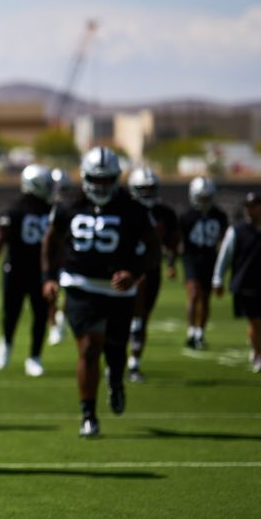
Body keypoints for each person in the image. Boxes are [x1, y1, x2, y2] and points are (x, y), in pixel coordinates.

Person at [43, 147, 155, 438]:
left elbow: (153, 249)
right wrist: (49, 277)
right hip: (80, 286)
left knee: (116, 347)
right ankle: (88, 414)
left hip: (119, 291)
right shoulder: (68, 206)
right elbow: (50, 241)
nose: (102, 185)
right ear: (86, 177)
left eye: (108, 180)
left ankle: (116, 379)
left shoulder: (133, 209)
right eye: (97, 179)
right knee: (90, 348)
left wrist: (134, 274)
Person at [212, 194, 261, 373]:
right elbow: (224, 256)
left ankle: (255, 344)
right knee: (255, 322)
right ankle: (258, 355)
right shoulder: (237, 231)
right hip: (244, 285)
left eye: (253, 206)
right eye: (247, 206)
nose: (249, 210)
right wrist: (217, 279)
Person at [0, 164, 54, 377]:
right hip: (15, 269)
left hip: (40, 271)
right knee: (11, 312)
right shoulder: (15, 209)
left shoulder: (51, 210)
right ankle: (6, 342)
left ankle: (35, 357)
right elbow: (0, 237)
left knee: (40, 314)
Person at [126, 167, 180, 382]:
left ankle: (134, 364)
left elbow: (173, 239)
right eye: (143, 189)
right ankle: (118, 361)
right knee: (122, 321)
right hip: (127, 270)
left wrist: (171, 261)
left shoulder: (164, 213)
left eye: (150, 189)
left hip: (151, 269)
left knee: (143, 319)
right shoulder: (125, 210)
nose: (147, 193)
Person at [179, 176, 227, 350]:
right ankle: (191, 331)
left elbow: (224, 241)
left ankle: (200, 333)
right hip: (191, 258)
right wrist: (171, 263)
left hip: (210, 259)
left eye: (207, 197)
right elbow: (179, 240)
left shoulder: (219, 215)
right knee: (193, 294)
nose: (205, 201)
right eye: (202, 197)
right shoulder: (187, 216)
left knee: (205, 298)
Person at [46, 167, 74, 346]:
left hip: (68, 255)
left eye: (62, 189)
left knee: (69, 292)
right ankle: (53, 326)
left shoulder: (70, 210)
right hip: (51, 255)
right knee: (51, 292)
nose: (58, 194)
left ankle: (61, 316)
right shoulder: (44, 207)